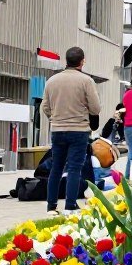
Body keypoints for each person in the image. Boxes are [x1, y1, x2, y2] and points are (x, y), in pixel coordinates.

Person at [40, 46, 101, 215]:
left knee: (56, 168)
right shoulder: (86, 81)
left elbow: (44, 107)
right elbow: (95, 108)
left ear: (66, 61)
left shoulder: (51, 81)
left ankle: (51, 207)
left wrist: (55, 118)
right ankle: (70, 206)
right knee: (74, 168)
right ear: (82, 62)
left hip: (58, 130)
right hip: (79, 130)